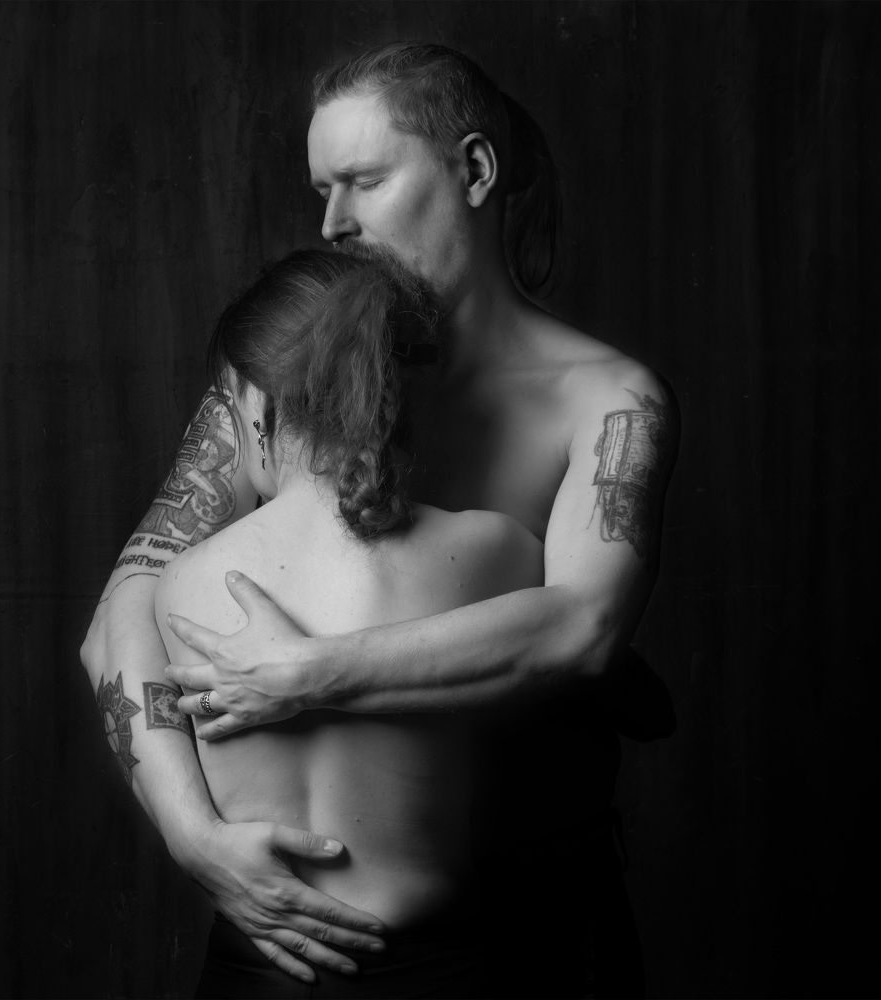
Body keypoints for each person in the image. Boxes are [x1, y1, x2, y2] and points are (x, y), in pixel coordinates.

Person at [81, 41, 677, 997]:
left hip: (539, 923)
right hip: (318, 932)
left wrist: (309, 673)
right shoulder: (289, 379)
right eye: (322, 190)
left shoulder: (611, 402)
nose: (334, 223)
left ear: (474, 171)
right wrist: (192, 836)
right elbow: (126, 604)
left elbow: (585, 628)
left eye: (363, 181)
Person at [157, 246, 542, 997]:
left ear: (256, 404)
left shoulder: (181, 581)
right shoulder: (496, 551)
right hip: (434, 970)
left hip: (255, 969)